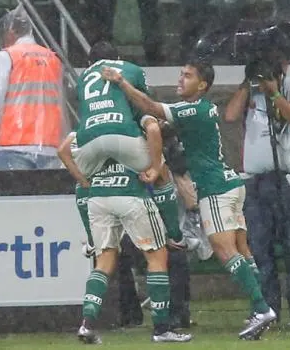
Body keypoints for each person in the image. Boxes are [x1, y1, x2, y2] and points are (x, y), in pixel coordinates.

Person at [101, 59, 277, 339]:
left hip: (215, 187)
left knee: (224, 251)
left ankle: (262, 308)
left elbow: (153, 109)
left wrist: (122, 83)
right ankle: (262, 308)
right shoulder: (200, 110)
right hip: (230, 182)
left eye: (187, 75)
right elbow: (163, 125)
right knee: (243, 252)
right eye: (181, 74)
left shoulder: (193, 108)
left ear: (203, 85)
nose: (180, 79)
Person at [57, 134, 192, 344]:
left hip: (99, 198)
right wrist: (174, 233)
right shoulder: (138, 129)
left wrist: (84, 183)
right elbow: (164, 183)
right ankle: (162, 329)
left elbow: (64, 154)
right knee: (157, 257)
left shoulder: (86, 128)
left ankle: (87, 325)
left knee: (103, 263)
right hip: (131, 196)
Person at [224, 46, 290, 324]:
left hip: (287, 178)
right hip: (255, 181)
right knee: (259, 248)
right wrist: (247, 82)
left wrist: (274, 92)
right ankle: (268, 309)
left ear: (285, 64)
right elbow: (230, 115)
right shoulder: (249, 90)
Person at [73, 41, 162, 183]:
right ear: (119, 59)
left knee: (94, 169)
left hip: (88, 140)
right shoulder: (132, 69)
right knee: (157, 159)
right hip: (124, 134)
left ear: (89, 63)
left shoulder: (82, 78)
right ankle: (159, 200)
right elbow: (147, 106)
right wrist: (155, 167)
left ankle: (90, 192)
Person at [0, 5, 65, 170]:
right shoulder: (53, 58)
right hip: (49, 143)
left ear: (11, 32)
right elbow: (60, 103)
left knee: (15, 195)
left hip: (14, 142)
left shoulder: (6, 56)